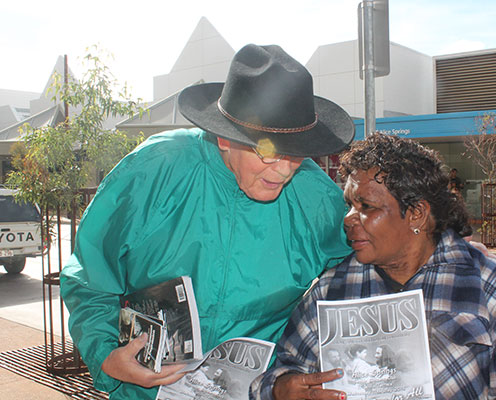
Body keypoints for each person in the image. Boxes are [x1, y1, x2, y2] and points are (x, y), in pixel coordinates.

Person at [60, 44, 355, 399]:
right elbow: (91, 276)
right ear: (225, 137)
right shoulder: (153, 171)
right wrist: (106, 353)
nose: (285, 169)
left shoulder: (318, 200)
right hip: (147, 392)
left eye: (297, 153)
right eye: (268, 150)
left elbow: (354, 285)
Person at [250, 133, 496, 400]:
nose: (348, 219)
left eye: (366, 207)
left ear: (416, 214)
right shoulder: (332, 290)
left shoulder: (488, 286)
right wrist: (282, 388)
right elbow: (279, 371)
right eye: (349, 205)